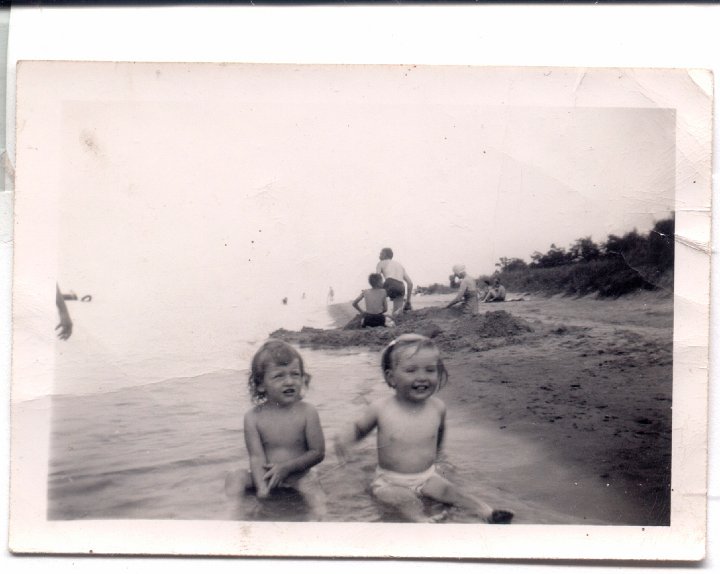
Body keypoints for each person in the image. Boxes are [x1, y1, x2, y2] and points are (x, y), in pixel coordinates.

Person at [334, 334, 513, 524]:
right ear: (391, 377)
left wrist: (440, 459)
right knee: (406, 501)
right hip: (389, 481)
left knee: (451, 491)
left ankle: (486, 511)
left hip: (426, 476)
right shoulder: (381, 408)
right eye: (411, 370)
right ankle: (420, 520)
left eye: (430, 370)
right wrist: (345, 440)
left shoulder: (438, 407)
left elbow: (438, 436)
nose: (422, 377)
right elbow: (359, 429)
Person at [225, 340, 327, 518]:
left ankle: (320, 518)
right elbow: (256, 458)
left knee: (313, 487)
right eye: (279, 376)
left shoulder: (308, 412)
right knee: (235, 477)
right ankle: (232, 512)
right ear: (260, 384)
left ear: (303, 378)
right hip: (267, 476)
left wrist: (287, 468)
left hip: (298, 476)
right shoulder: (253, 417)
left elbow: (317, 452)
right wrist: (262, 490)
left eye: (295, 374)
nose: (289, 381)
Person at [376, 247, 413, 316]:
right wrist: (408, 301)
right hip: (401, 286)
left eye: (381, 254)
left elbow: (377, 279)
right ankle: (398, 313)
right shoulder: (399, 265)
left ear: (385, 255)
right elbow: (410, 283)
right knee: (396, 313)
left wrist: (376, 292)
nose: (379, 255)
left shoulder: (380, 263)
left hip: (389, 283)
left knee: (376, 298)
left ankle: (377, 314)